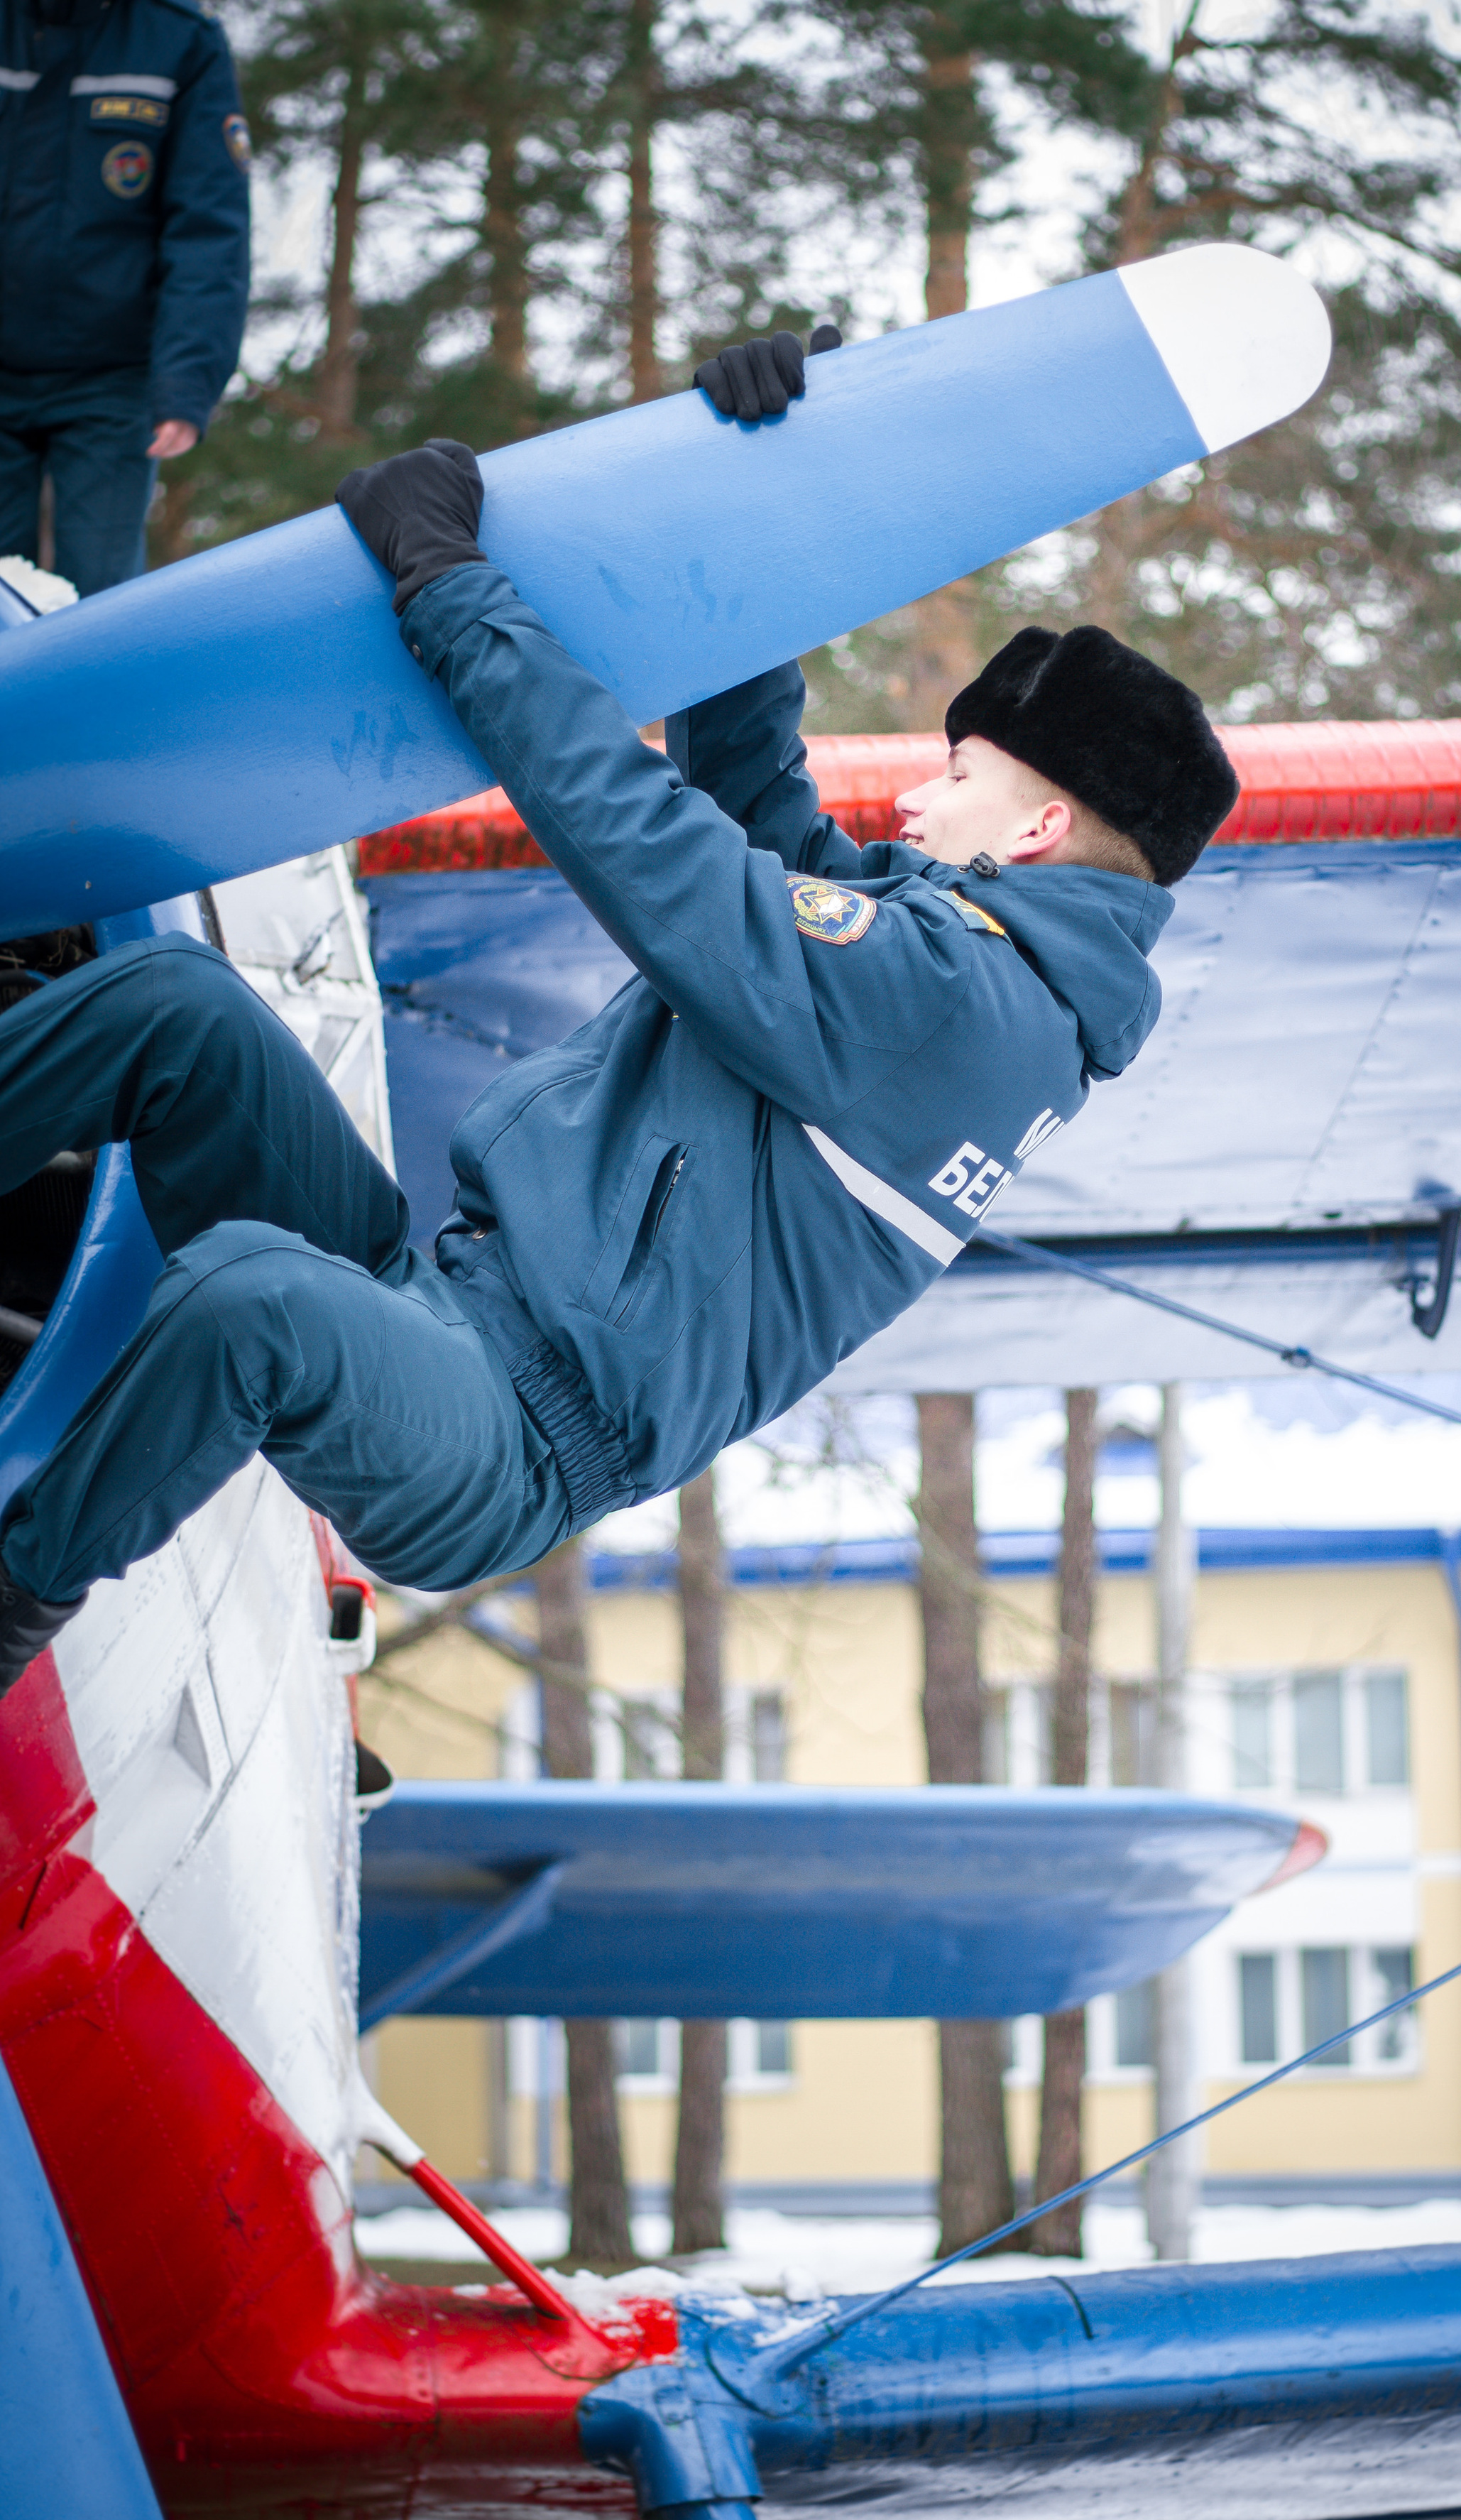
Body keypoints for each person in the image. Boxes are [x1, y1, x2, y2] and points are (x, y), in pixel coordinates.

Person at [0, 332, 1237, 1693]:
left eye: (956, 774)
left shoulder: (959, 1007)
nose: (912, 800)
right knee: (175, 1013)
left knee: (249, 1296)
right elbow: (749, 807)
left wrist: (450, 590)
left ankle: (7, 1607)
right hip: (435, 1299)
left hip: (509, 1438)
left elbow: (656, 846)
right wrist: (756, 486)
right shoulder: (949, 965)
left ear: (1044, 822)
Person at [0, 0, 250, 595]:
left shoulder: (182, 40)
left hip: (111, 383)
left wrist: (187, 382)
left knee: (100, 603)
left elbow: (209, 229)